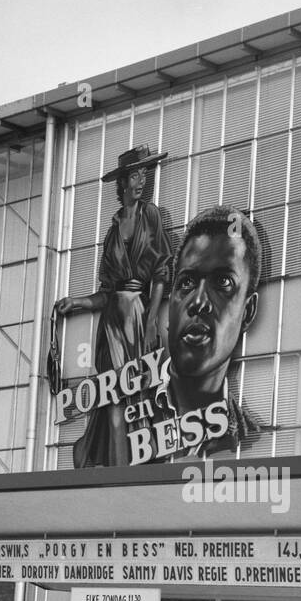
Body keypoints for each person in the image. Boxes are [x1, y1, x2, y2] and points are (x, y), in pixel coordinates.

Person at [53, 145, 172, 467]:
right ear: (121, 183)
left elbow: (161, 271)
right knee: (113, 397)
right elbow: (106, 290)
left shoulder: (151, 215)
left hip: (137, 316)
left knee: (136, 393)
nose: (141, 181)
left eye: (144, 174)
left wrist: (150, 322)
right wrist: (77, 301)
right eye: (135, 175)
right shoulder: (111, 231)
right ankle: (118, 467)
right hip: (110, 324)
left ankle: (137, 463)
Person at [127, 205, 263, 462]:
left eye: (223, 282)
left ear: (248, 311)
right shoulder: (125, 419)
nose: (199, 301)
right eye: (186, 283)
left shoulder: (252, 441)